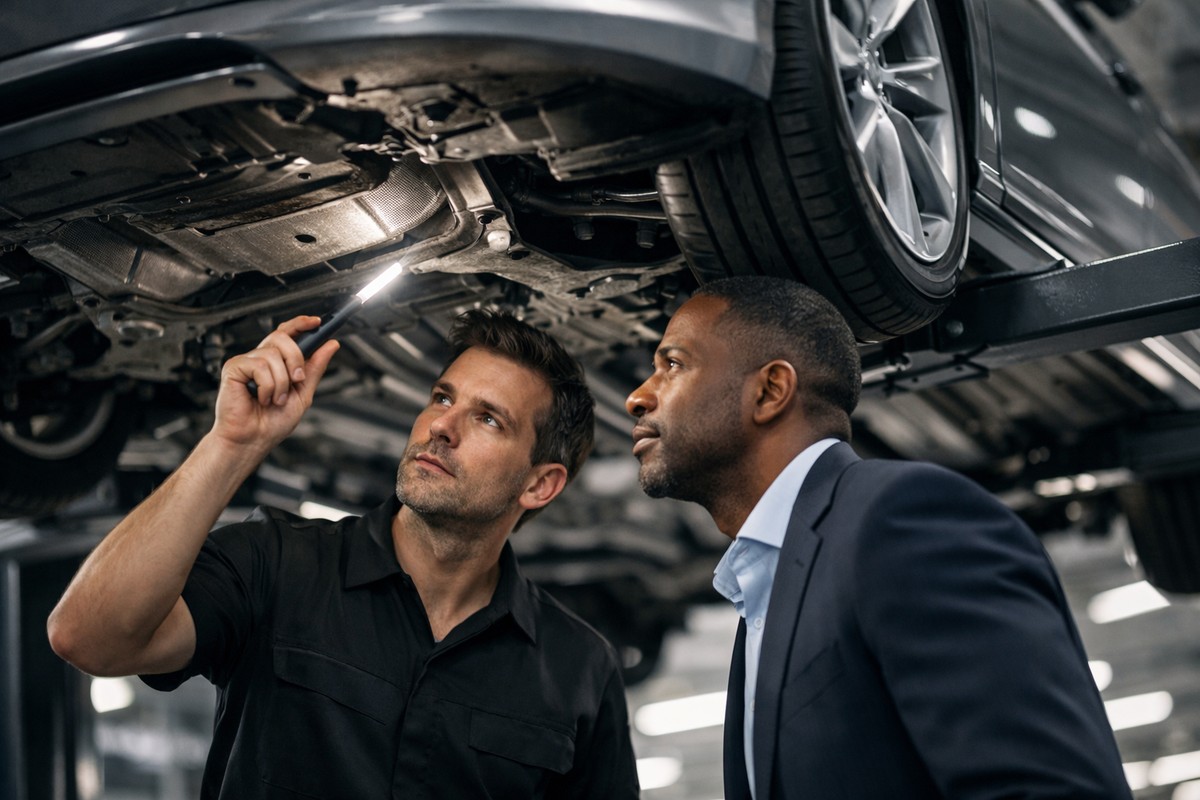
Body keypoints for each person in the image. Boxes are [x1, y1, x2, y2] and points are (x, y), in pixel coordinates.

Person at [48, 310, 639, 800]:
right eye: (441, 397)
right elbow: (88, 637)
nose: (440, 426)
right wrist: (231, 444)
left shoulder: (579, 669)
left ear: (539, 485)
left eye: (487, 419)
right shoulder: (277, 563)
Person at [625, 276, 1131, 799]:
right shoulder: (771, 585)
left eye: (673, 365)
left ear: (770, 390)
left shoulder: (906, 521)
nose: (637, 397)